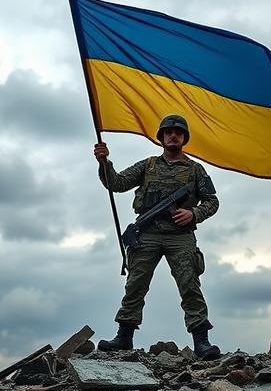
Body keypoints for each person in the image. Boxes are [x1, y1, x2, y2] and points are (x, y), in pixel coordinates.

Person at [93, 114, 221, 359]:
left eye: (178, 132)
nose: (173, 135)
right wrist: (104, 162)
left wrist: (193, 214)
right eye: (168, 132)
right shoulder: (148, 165)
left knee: (190, 285)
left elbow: (212, 202)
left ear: (184, 138)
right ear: (161, 137)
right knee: (135, 285)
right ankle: (124, 336)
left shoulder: (195, 170)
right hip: (147, 234)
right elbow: (117, 183)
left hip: (180, 236)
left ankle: (202, 341)